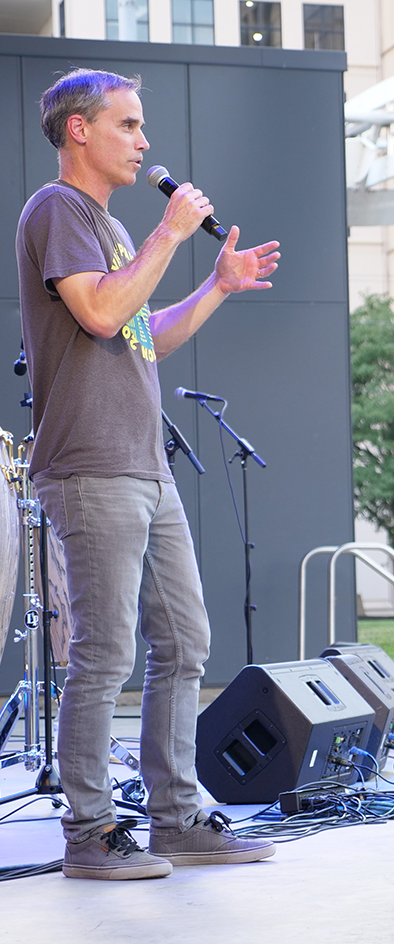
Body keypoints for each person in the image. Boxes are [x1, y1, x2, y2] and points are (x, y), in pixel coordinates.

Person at [16, 68, 281, 880]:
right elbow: (97, 311)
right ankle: (90, 833)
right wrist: (169, 234)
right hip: (92, 464)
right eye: (129, 126)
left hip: (143, 465)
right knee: (103, 655)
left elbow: (143, 333)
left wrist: (217, 284)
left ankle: (176, 819)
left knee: (187, 643)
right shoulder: (57, 210)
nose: (146, 142)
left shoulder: (115, 230)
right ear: (79, 132)